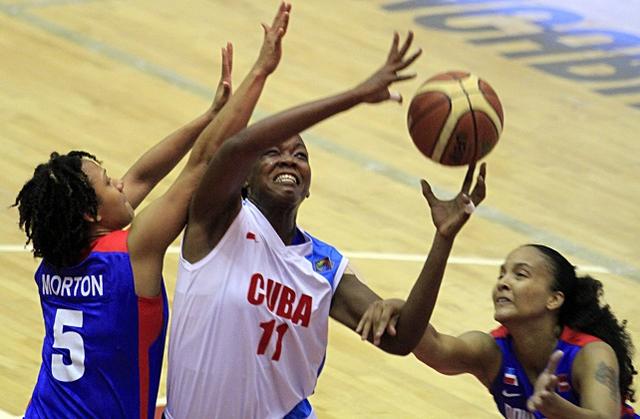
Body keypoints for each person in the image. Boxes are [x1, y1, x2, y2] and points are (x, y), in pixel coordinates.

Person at [164, 30, 487, 419]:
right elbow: (235, 147)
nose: (289, 160)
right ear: (245, 178)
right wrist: (355, 96)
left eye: (300, 154)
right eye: (273, 152)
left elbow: (401, 340)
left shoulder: (325, 267)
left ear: (309, 185)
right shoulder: (217, 222)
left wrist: (443, 239)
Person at [14, 3, 290, 417]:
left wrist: (209, 115)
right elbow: (203, 163)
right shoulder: (132, 253)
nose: (122, 183)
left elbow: (142, 177)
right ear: (91, 214)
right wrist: (260, 72)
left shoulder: (56, 261)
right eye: (109, 182)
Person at [359, 244, 639, 418]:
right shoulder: (491, 352)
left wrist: (557, 409)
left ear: (554, 299)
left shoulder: (590, 354)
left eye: (520, 274)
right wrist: (403, 309)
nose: (504, 282)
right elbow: (434, 347)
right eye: (502, 274)